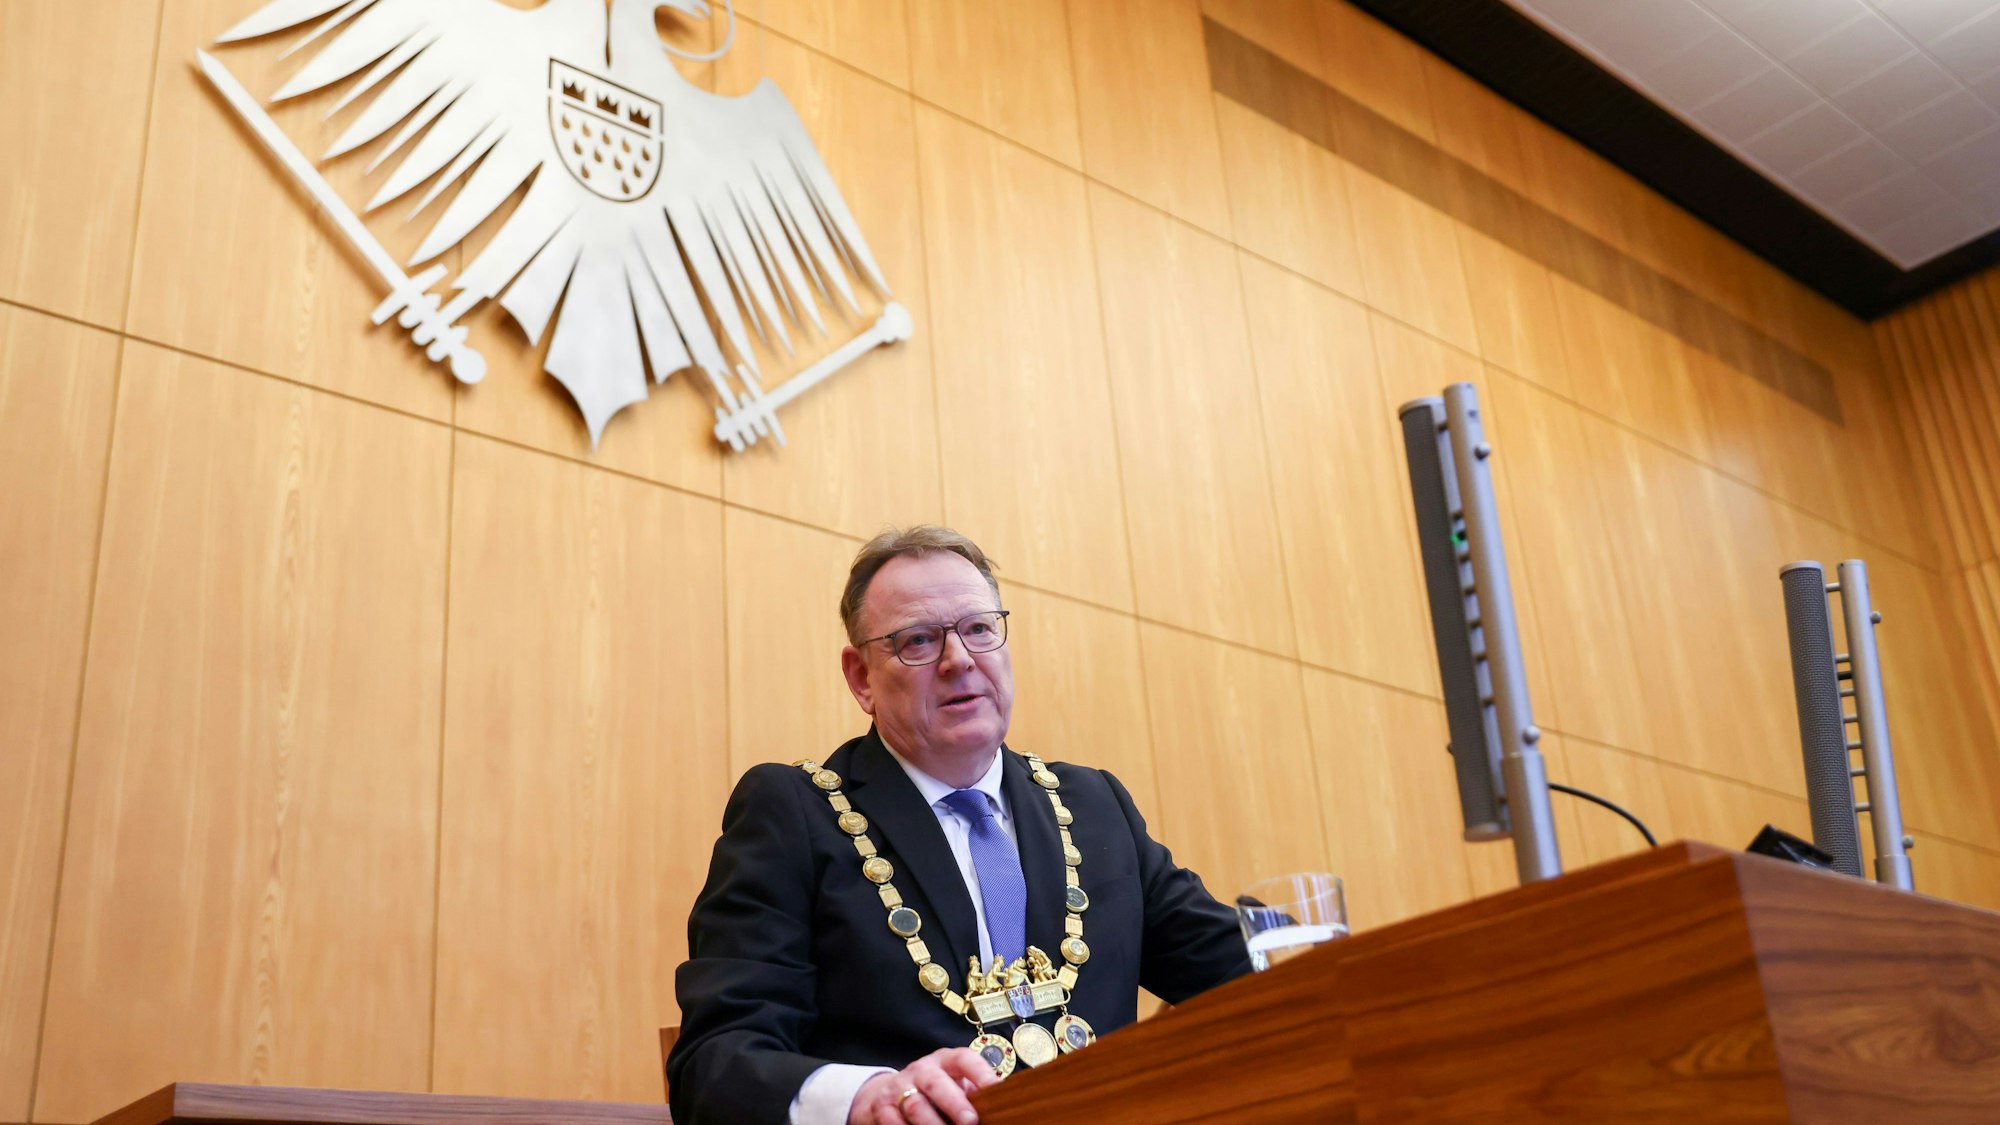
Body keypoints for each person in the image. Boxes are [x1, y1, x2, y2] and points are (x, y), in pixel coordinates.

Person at [668, 527, 1251, 1125]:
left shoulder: (1093, 805)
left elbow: (1241, 973)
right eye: (917, 640)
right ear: (861, 678)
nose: (959, 660)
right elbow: (716, 1062)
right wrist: (869, 1097)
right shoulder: (795, 812)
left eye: (978, 629)